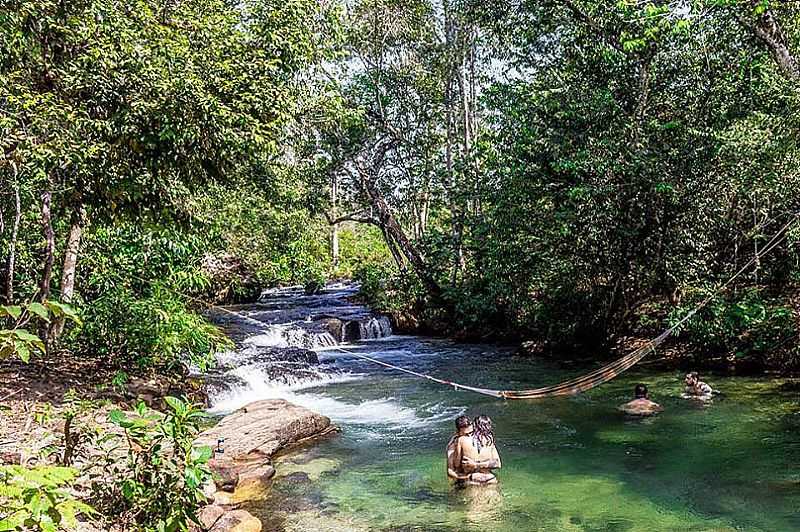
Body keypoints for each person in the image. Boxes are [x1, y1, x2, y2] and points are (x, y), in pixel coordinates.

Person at [454, 415, 501, 485]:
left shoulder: (461, 440)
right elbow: (497, 464)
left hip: (473, 479)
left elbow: (457, 464)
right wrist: (479, 464)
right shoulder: (489, 440)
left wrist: (474, 465)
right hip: (490, 479)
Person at [446, 415, 473, 482]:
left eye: (471, 433)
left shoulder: (476, 439)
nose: (469, 436)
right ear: (458, 433)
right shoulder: (452, 447)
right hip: (461, 479)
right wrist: (464, 477)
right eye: (466, 434)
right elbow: (450, 471)